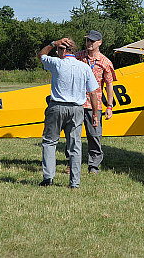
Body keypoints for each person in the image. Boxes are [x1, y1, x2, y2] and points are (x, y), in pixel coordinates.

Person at [37, 37, 99, 188]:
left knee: (50, 142)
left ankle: (48, 178)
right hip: (77, 109)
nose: (57, 53)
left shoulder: (57, 64)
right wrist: (95, 114)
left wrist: (52, 44)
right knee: (75, 146)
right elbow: (93, 93)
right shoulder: (84, 67)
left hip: (57, 106)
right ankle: (74, 183)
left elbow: (41, 55)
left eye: (59, 49)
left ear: (63, 50)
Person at [71, 30, 116, 175]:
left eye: (92, 41)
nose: (89, 43)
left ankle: (94, 165)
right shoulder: (77, 57)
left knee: (94, 135)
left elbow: (109, 85)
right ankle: (71, 163)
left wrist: (109, 106)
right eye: (87, 40)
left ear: (99, 43)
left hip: (94, 105)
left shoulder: (105, 62)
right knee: (73, 134)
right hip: (76, 102)